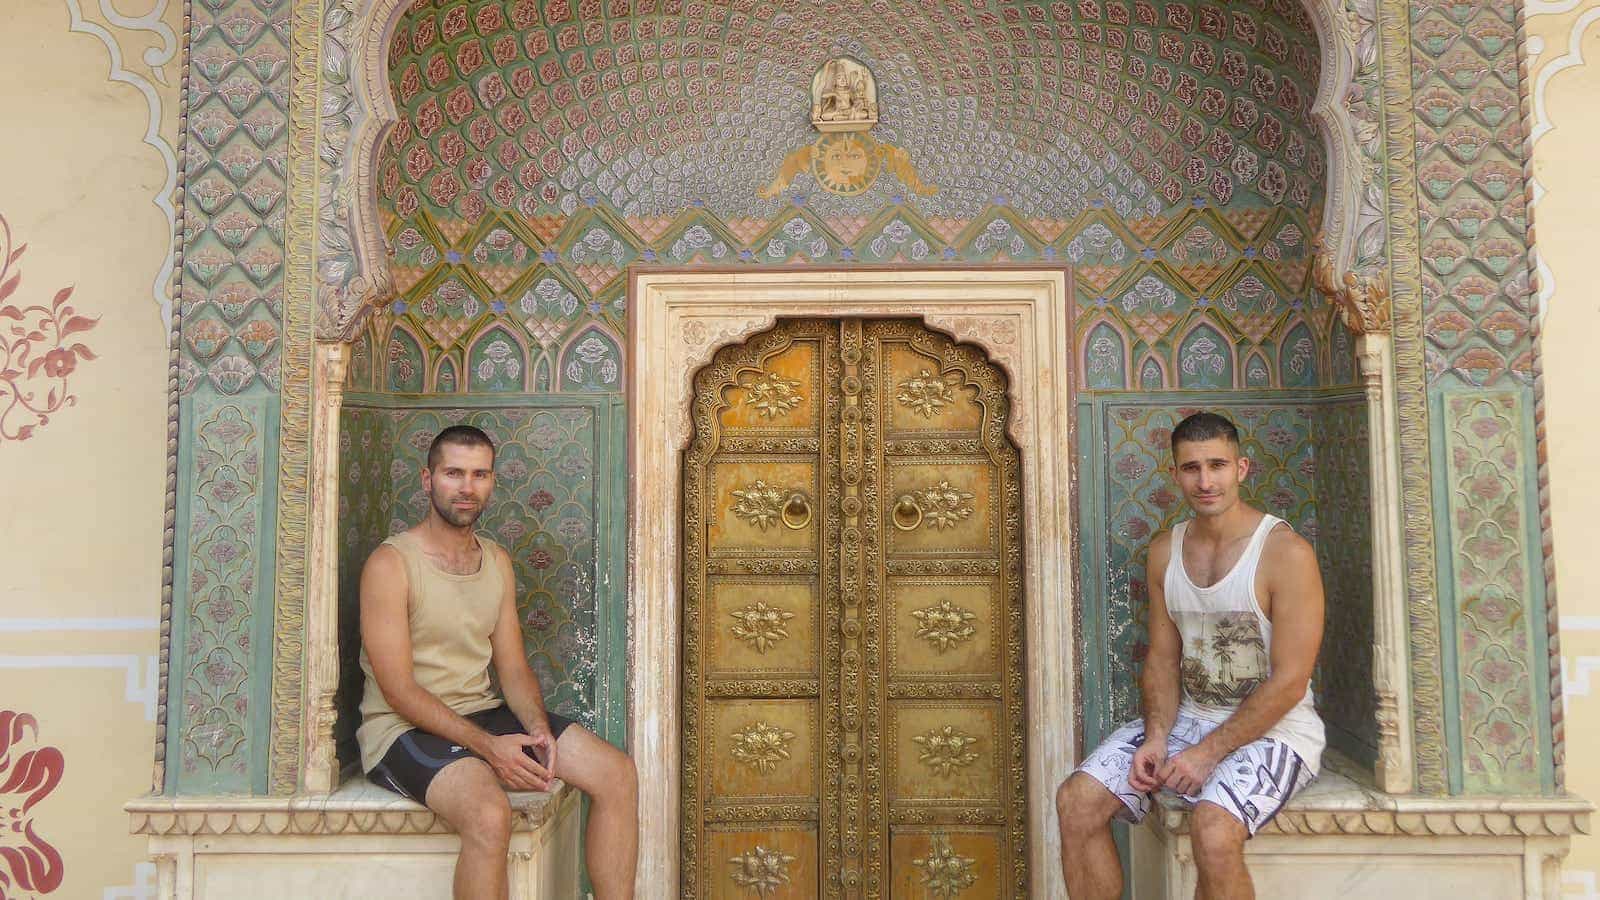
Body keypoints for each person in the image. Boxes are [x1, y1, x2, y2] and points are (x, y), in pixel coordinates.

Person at [357, 425, 638, 900]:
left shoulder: (496, 561)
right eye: (453, 473)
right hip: (401, 729)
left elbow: (512, 668)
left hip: (479, 711)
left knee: (616, 773)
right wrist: (490, 748)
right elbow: (398, 691)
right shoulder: (391, 564)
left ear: (491, 482)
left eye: (479, 474)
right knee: (489, 814)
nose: (467, 487)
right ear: (428, 480)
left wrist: (537, 728)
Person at [1056, 412, 1325, 900]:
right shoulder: (1165, 551)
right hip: (1188, 719)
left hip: (1277, 730)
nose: (1205, 481)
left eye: (1217, 465)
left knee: (1214, 829)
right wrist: (1157, 738)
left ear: (1241, 468)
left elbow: (1291, 682)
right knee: (1076, 801)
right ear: (1175, 473)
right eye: (1191, 468)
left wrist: (1206, 754)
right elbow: (1161, 659)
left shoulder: (1285, 553)